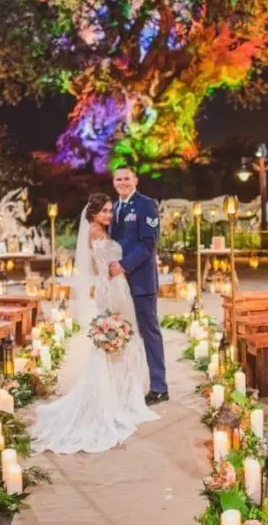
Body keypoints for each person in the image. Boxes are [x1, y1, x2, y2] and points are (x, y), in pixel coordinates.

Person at [31, 193, 158, 454]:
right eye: (104, 212)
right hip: (113, 289)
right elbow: (106, 270)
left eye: (110, 211)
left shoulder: (101, 231)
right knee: (118, 342)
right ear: (93, 214)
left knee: (125, 343)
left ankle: (121, 394)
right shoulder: (96, 234)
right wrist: (114, 298)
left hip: (115, 286)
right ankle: (113, 398)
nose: (109, 216)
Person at [108, 167, 169, 405]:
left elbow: (148, 243)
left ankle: (159, 387)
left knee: (149, 332)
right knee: (120, 332)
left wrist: (123, 265)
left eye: (126, 178)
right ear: (114, 182)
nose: (122, 182)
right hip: (118, 283)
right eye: (118, 179)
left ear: (135, 180)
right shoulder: (112, 207)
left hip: (141, 281)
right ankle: (125, 384)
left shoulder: (146, 205)